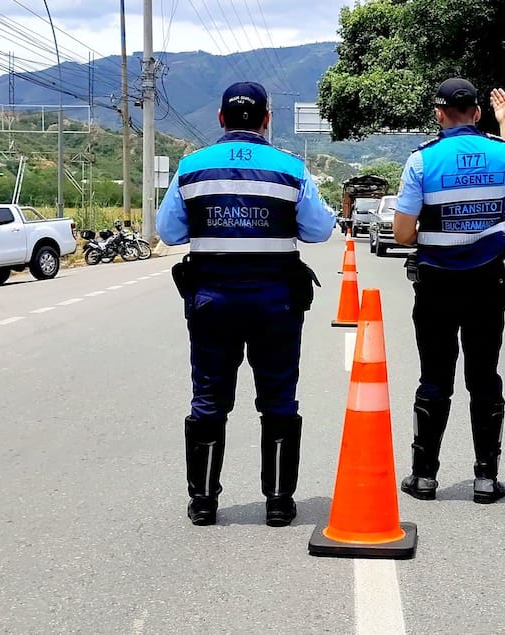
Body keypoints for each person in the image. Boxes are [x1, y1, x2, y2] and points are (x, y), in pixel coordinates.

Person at [157, 81, 336, 527]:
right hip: (276, 303)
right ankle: (278, 502)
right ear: (266, 120)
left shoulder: (192, 167)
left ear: (221, 118)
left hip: (211, 302)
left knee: (208, 399)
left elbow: (169, 232)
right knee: (278, 399)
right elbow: (319, 231)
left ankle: (203, 503)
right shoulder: (291, 168)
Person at [392, 78, 505, 504]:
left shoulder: (422, 161)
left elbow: (403, 234)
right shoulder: (501, 155)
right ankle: (486, 479)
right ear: (477, 113)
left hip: (437, 286)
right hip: (487, 284)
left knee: (435, 378)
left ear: (439, 114)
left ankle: (424, 477)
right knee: (484, 378)